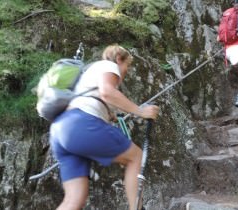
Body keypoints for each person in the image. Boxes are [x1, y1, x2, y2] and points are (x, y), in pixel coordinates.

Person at [49, 44, 160, 210]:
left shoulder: (88, 74)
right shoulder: (109, 65)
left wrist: (109, 114)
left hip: (60, 129)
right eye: (126, 65)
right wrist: (141, 111)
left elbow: (98, 99)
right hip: (81, 124)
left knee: (74, 199)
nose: (126, 71)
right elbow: (107, 92)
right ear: (118, 59)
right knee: (135, 157)